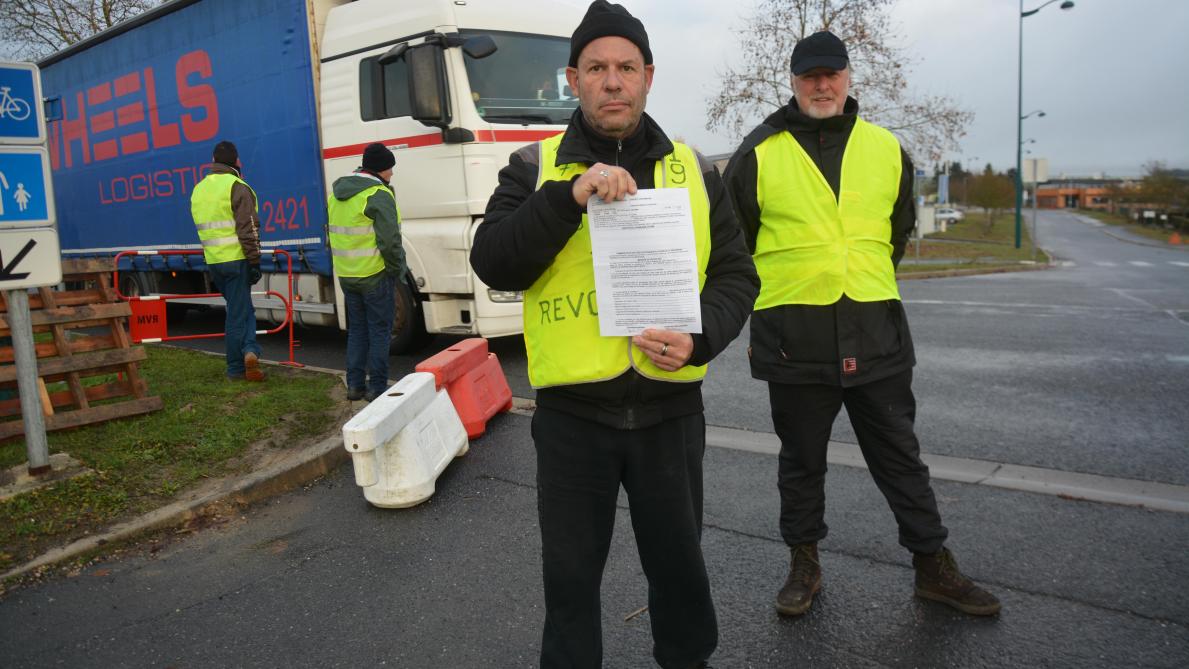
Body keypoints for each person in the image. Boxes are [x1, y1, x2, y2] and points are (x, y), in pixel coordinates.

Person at [470, 2, 758, 666]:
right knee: (569, 587)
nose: (612, 81)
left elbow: (737, 274)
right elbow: (493, 260)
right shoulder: (533, 167)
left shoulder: (693, 169)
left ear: (648, 76)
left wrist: (700, 336)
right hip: (573, 420)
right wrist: (565, 198)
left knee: (682, 581)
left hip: (669, 412)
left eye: (626, 66)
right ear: (572, 78)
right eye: (596, 67)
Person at [724, 31, 1001, 618]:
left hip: (875, 330)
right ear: (793, 81)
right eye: (809, 75)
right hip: (792, 339)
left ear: (849, 78)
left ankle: (934, 567)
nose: (821, 85)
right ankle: (804, 564)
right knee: (802, 462)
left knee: (901, 457)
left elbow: (896, 232)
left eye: (832, 74)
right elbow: (735, 244)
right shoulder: (758, 153)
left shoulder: (885, 148)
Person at [328, 142, 406, 402]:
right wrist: (397, 270)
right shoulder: (378, 194)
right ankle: (377, 388)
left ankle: (354, 386)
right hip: (374, 275)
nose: (392, 174)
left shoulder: (337, 193)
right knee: (380, 332)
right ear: (381, 169)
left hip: (348, 276)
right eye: (390, 169)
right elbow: (389, 241)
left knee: (358, 332)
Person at [191, 140, 264, 382]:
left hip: (214, 262)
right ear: (237, 162)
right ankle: (236, 367)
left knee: (242, 308)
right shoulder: (237, 186)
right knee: (237, 313)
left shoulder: (199, 189)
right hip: (237, 260)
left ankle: (250, 350)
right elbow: (249, 229)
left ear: (213, 161)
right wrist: (254, 261)